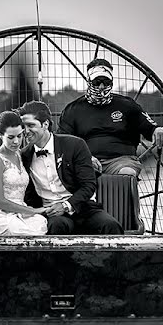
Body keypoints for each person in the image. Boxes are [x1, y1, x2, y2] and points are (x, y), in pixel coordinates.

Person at [18, 100, 123, 235]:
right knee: (57, 226)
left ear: (45, 124)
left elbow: (89, 186)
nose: (25, 131)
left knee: (111, 226)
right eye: (23, 126)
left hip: (83, 208)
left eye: (30, 125)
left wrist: (65, 206)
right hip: (52, 214)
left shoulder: (75, 145)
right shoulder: (24, 156)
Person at [58, 58, 163, 176]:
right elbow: (63, 142)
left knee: (127, 173)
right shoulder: (73, 110)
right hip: (86, 161)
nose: (101, 87)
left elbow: (148, 126)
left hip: (122, 161)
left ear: (111, 82)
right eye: (97, 82)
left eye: (105, 82)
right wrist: (84, 158)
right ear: (88, 81)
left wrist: (157, 129)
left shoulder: (127, 105)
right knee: (82, 173)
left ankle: (122, 192)